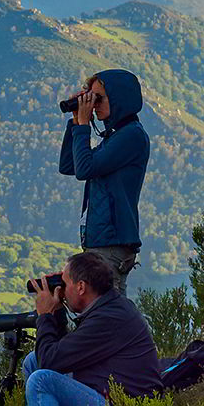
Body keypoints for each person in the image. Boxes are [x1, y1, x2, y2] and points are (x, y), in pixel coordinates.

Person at [21, 251, 163, 406]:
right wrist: (58, 312)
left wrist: (44, 316)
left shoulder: (109, 319)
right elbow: (61, 356)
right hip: (114, 402)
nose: (62, 289)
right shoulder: (109, 307)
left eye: (66, 283)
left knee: (41, 380)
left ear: (81, 287)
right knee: (32, 362)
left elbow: (51, 362)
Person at [59, 68, 149, 292]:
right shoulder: (114, 137)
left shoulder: (131, 135)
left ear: (119, 99)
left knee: (107, 310)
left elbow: (84, 169)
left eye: (99, 98)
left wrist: (82, 126)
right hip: (101, 241)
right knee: (99, 311)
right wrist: (74, 122)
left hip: (111, 242)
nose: (94, 104)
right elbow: (69, 166)